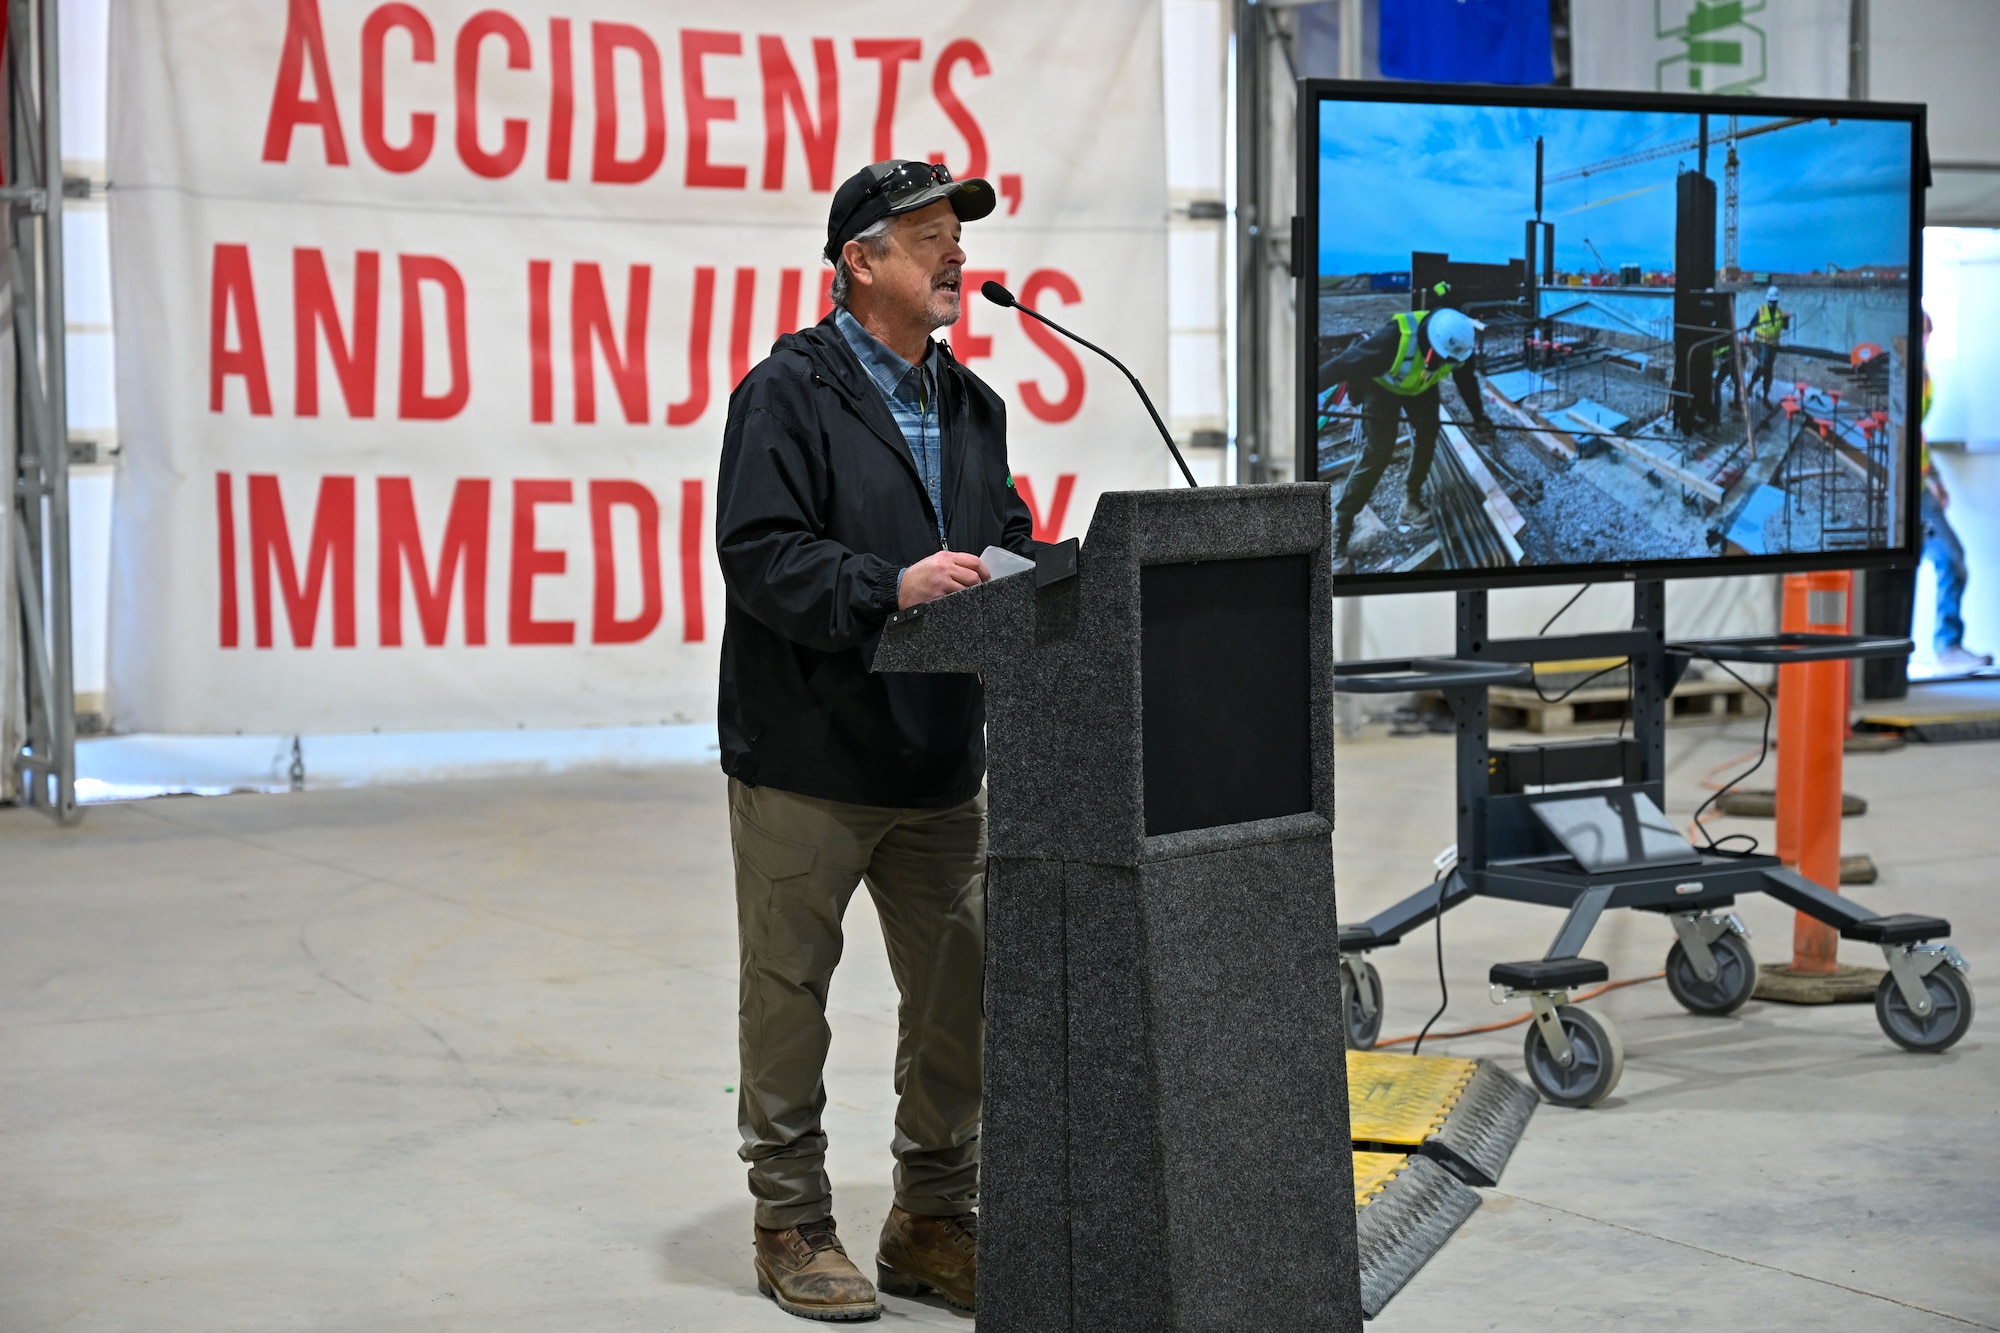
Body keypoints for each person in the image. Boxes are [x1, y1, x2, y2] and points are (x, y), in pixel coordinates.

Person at [714, 159, 1035, 1322]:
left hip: (940, 756)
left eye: (955, 236)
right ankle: (789, 1217)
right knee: (789, 989)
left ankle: (931, 1220)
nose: (955, 257)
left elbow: (999, 526)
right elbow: (758, 554)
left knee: (963, 990)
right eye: (929, 238)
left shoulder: (971, 405)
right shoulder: (786, 393)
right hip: (809, 752)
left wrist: (1018, 567)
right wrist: (885, 586)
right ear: (860, 262)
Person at [1315, 305, 1493, 558]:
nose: (1444, 365)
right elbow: (1342, 365)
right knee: (1379, 451)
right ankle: (1342, 523)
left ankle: (1411, 502)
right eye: (1440, 359)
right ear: (1430, 344)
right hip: (1382, 387)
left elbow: (1466, 382)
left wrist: (1479, 418)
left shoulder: (1458, 348)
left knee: (1429, 434)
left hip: (1420, 387)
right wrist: (1302, 394)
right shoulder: (1392, 340)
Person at [1918, 311, 1991, 671]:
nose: (1925, 343)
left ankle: (1948, 646)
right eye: (1922, 335)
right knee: (1948, 558)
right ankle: (1945, 645)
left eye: (1928, 336)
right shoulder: (1902, 372)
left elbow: (1916, 433)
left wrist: (1934, 478)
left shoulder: (1923, 372)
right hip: (1907, 493)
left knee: (1951, 560)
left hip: (1920, 487)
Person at [1744, 284, 1789, 403]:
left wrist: (1786, 319)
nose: (1772, 303)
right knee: (1763, 363)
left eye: (1774, 301)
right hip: (1761, 343)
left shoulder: (1780, 312)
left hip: (1773, 345)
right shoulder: (1761, 310)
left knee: (1768, 371)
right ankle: (1751, 385)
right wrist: (1746, 334)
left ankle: (1765, 396)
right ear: (1767, 299)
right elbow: (1752, 323)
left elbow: (1785, 327)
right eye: (1771, 301)